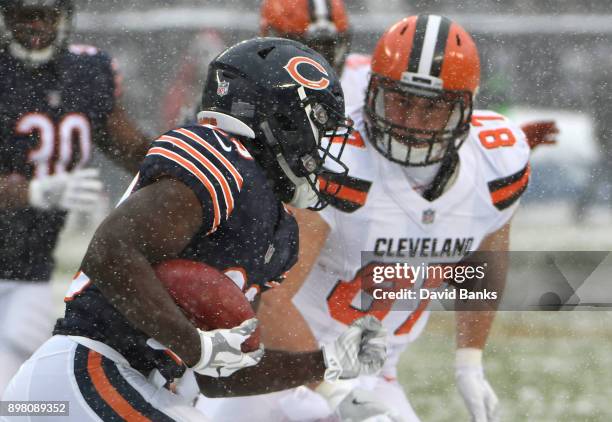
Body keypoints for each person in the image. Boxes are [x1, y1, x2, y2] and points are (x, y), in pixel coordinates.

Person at [2, 37, 388, 421]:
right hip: (87, 371)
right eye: (317, 124)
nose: (323, 147)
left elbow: (221, 375)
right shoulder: (220, 158)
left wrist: (325, 363)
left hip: (138, 387)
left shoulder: (278, 229)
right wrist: (195, 346)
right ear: (277, 118)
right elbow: (110, 254)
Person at [208, 14, 533, 422]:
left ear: (464, 109)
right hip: (279, 362)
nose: (412, 122)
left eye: (432, 108)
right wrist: (332, 389)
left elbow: (483, 261)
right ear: (373, 91)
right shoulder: (337, 162)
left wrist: (470, 360)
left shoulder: (497, 162)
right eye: (402, 100)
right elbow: (266, 295)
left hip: (371, 366)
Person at [0, 0, 149, 396]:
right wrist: (29, 191)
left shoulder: (85, 72)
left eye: (45, 15)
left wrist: (183, 150)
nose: (35, 26)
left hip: (31, 270)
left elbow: (131, 149)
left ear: (64, 18)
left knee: (23, 395)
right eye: (23, 16)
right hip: (20, 263)